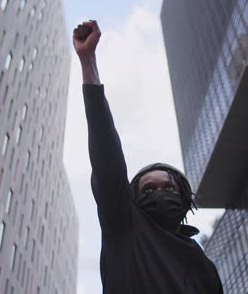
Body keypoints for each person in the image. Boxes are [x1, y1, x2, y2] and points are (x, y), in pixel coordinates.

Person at [73, 20, 224, 293]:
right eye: (149, 188)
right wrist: (88, 62)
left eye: (167, 187)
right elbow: (107, 157)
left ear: (183, 197)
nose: (159, 192)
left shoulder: (201, 262)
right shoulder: (124, 228)